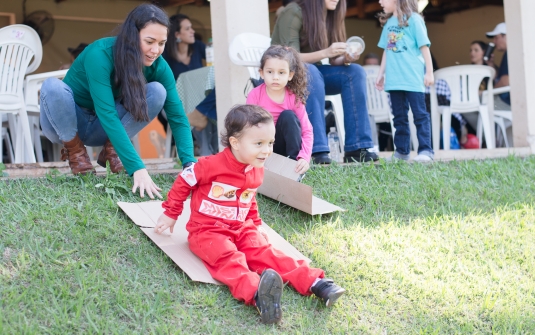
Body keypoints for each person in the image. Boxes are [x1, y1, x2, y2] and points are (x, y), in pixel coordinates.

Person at [154, 105, 345, 324]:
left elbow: (249, 197)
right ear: (235, 143)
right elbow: (184, 181)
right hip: (207, 232)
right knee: (229, 259)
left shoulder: (256, 168)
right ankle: (259, 295)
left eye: (270, 143)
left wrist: (255, 223)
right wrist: (171, 213)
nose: (267, 150)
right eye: (259, 144)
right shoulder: (210, 165)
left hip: (241, 228)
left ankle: (316, 283)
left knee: (266, 254)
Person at [39, 4, 195, 199]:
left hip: (101, 130)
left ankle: (111, 149)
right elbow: (107, 114)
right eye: (149, 41)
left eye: (162, 43)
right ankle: (75, 152)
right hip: (66, 125)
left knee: (157, 91)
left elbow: (178, 116)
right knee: (52, 86)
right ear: (131, 36)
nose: (155, 50)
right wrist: (137, 167)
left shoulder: (159, 67)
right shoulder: (100, 54)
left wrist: (190, 165)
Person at [271, 0, 379, 164]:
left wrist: (346, 57)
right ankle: (317, 149)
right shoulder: (293, 12)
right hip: (285, 75)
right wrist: (326, 52)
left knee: (355, 72)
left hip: (315, 75)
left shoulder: (331, 15)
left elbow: (334, 60)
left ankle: (356, 148)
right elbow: (289, 58)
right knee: (311, 71)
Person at [376, 0, 434, 162]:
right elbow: (387, 50)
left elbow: (424, 46)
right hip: (394, 80)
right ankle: (401, 152)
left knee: (420, 116)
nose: (380, 1)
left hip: (412, 79)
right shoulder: (389, 23)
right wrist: (381, 74)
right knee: (399, 118)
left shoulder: (414, 19)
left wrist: (429, 72)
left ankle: (426, 151)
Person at [246, 45, 312, 175]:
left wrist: (304, 157)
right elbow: (247, 130)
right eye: (270, 72)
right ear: (261, 73)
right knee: (256, 124)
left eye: (281, 72)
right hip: (263, 148)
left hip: (286, 148)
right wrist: (254, 159)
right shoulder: (255, 95)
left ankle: (293, 168)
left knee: (288, 116)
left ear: (290, 75)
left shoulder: (293, 98)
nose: (275, 77)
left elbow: (307, 130)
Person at [162, 13, 216, 132]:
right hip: (176, 101)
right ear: (177, 35)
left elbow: (214, 62)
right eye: (187, 29)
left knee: (212, 98)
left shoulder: (198, 46)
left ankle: (204, 145)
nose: (192, 31)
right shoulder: (164, 55)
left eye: (191, 27)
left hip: (199, 98)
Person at [485, 22, 510, 111]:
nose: (494, 42)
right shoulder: (508, 54)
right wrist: (492, 65)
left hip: (507, 102)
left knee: (478, 103)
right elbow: (502, 78)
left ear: (506, 36)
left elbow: (505, 81)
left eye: (496, 37)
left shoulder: (509, 53)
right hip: (507, 101)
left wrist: (489, 92)